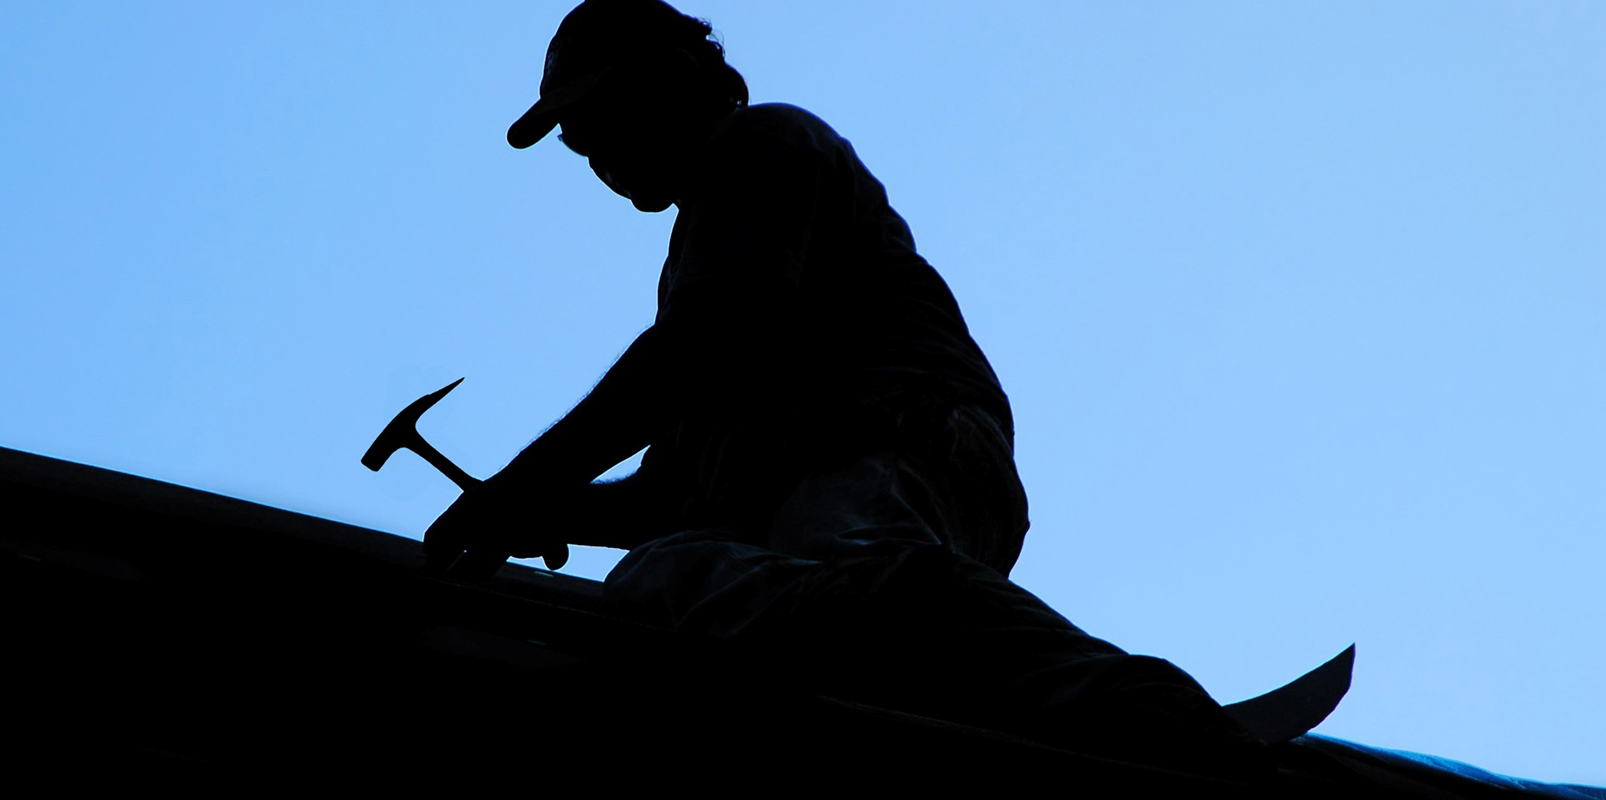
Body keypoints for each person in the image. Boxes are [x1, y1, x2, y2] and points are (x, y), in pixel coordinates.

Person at [424, 0, 1268, 777]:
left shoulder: (762, 146)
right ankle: (1007, 687)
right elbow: (674, 494)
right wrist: (549, 511)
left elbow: (707, 339)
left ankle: (1136, 707)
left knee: (859, 583)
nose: (596, 152)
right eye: (578, 141)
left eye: (600, 118)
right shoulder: (703, 251)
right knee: (666, 578)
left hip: (892, 443)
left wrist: (525, 485)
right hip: (822, 490)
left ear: (678, 76)